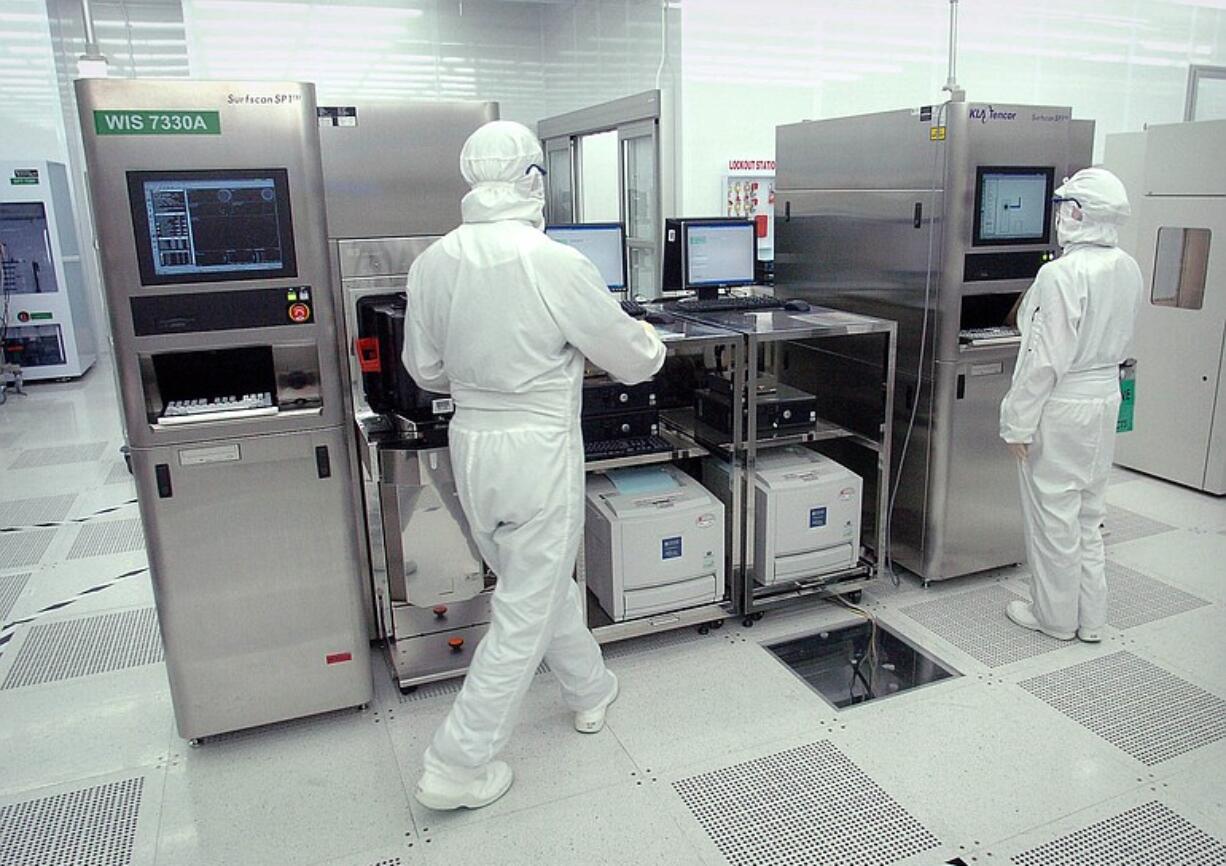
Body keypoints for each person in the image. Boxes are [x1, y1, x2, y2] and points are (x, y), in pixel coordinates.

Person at [400, 120, 666, 811]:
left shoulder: (432, 262)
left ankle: (589, 688)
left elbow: (424, 370)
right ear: (531, 179)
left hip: (472, 446)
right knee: (526, 603)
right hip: (537, 448)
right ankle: (457, 765)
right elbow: (632, 359)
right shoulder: (553, 261)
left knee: (533, 582)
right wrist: (647, 340)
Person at [1000, 167, 1143, 643]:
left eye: (1062, 207)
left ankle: (1056, 618)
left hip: (1064, 403)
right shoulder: (1128, 266)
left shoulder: (1061, 273)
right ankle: (1092, 620)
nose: (1058, 216)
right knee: (1088, 512)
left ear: (1077, 213)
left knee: (1052, 515)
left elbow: (1044, 358)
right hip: (1105, 396)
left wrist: (1016, 423)